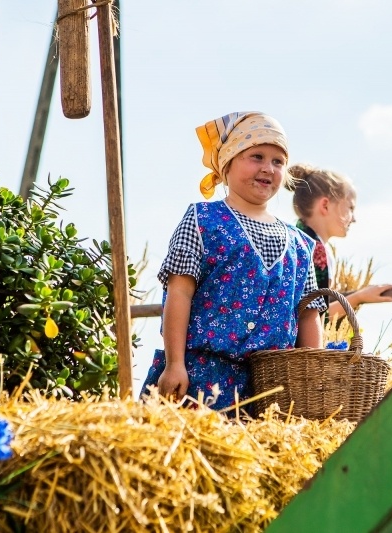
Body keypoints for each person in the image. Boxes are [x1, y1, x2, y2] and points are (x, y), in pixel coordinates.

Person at [140, 112, 326, 411]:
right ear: (227, 163)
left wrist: (313, 380)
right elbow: (179, 293)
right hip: (199, 381)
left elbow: (308, 316)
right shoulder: (202, 220)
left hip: (271, 393)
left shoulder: (301, 244)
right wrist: (174, 363)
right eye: (256, 156)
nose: (268, 168)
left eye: (278, 162)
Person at [286, 163, 392, 318]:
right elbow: (314, 319)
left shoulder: (294, 239)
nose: (354, 219)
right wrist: (359, 297)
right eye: (350, 208)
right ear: (325, 205)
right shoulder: (314, 251)